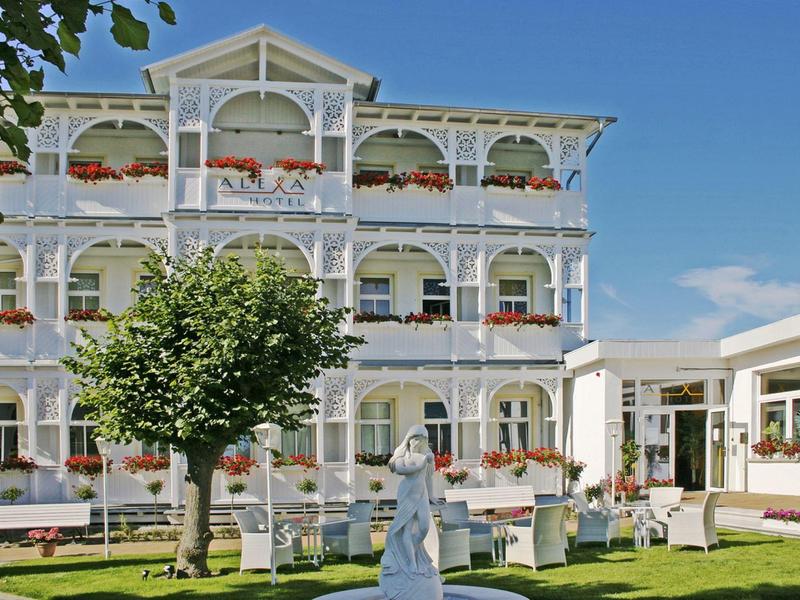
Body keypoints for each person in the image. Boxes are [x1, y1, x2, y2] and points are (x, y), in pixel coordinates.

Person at [379, 425, 443, 600]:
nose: (417, 442)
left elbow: (428, 477)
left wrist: (432, 496)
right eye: (415, 439)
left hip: (421, 494)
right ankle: (411, 563)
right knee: (406, 530)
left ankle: (411, 552)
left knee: (423, 527)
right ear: (409, 439)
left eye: (421, 439)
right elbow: (402, 470)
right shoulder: (403, 456)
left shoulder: (425, 456)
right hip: (407, 494)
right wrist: (423, 462)